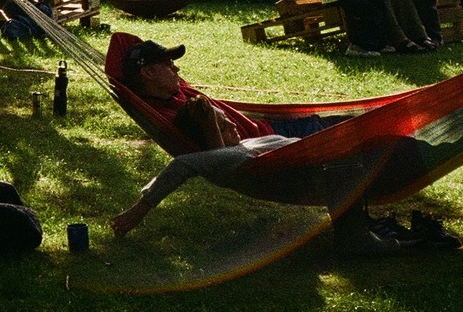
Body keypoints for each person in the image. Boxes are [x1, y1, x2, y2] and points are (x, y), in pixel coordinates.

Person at [109, 39, 340, 236]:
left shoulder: (178, 92)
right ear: (148, 73)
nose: (177, 70)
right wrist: (139, 210)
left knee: (360, 121)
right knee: (362, 130)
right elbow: (193, 161)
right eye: (169, 65)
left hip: (275, 133)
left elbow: (121, 41)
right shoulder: (230, 150)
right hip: (298, 146)